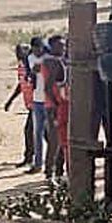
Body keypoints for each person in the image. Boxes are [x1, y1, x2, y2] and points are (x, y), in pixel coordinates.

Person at [4, 43, 35, 167]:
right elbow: (20, 85)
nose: (18, 54)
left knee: (30, 131)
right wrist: (10, 100)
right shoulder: (21, 67)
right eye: (17, 51)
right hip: (31, 105)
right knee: (38, 133)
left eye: (21, 51)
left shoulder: (32, 65)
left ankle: (30, 158)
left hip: (38, 104)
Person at [43, 35, 70, 179]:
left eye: (64, 45)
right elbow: (48, 88)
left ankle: (58, 172)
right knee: (55, 142)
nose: (63, 48)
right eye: (59, 46)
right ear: (52, 46)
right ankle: (50, 172)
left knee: (62, 141)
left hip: (59, 104)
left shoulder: (58, 61)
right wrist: (56, 104)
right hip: (55, 106)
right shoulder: (52, 62)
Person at [26, 37, 49, 174]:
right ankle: (38, 163)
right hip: (37, 99)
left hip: (49, 99)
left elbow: (38, 69)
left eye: (39, 47)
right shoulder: (31, 58)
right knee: (37, 133)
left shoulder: (48, 57)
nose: (38, 50)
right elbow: (35, 70)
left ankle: (51, 164)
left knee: (51, 133)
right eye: (35, 48)